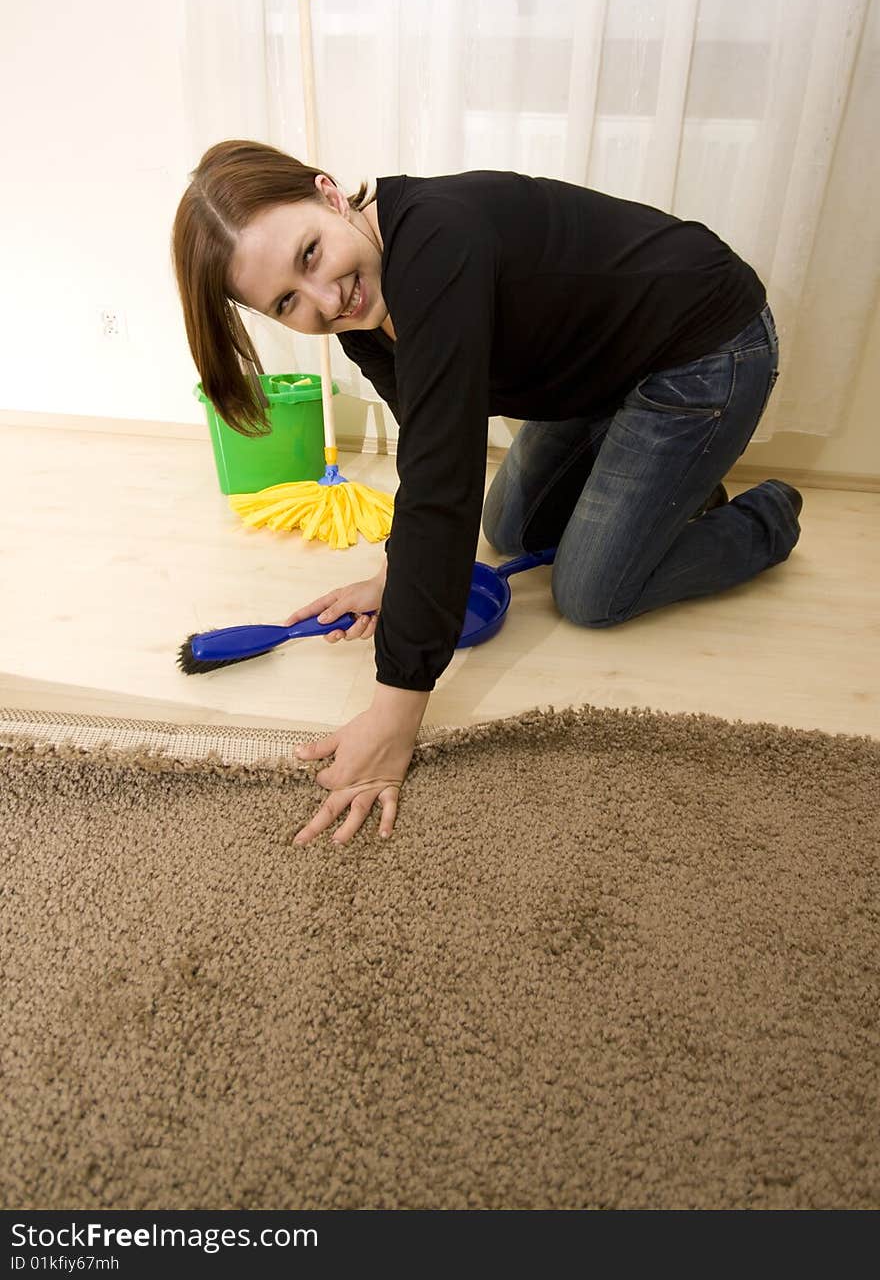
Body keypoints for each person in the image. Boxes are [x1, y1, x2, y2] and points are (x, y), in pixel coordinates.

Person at [172, 140, 802, 848]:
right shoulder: (362, 309)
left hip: (705, 349)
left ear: (329, 194)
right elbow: (429, 448)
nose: (325, 300)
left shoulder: (436, 242)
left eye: (311, 255)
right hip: (598, 374)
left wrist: (394, 712)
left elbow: (445, 482)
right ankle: (675, 485)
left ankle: (765, 520)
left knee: (591, 594)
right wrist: (393, 574)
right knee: (511, 527)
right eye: (287, 301)